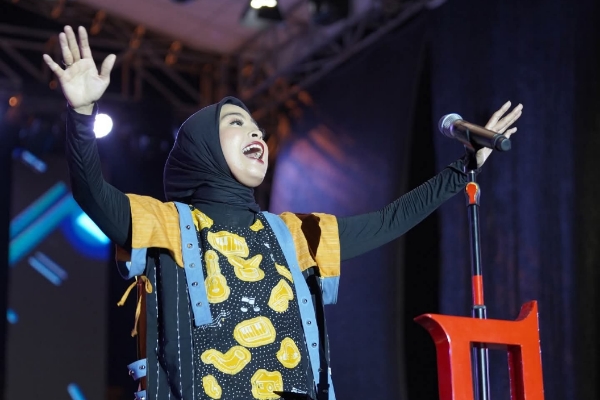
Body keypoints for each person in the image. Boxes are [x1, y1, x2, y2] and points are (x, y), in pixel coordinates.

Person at [43, 26, 522, 400]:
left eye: (257, 125)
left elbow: (387, 221)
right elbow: (93, 194)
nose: (256, 132)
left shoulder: (291, 235)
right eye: (237, 123)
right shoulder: (167, 225)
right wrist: (82, 117)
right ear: (201, 148)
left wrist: (462, 170)